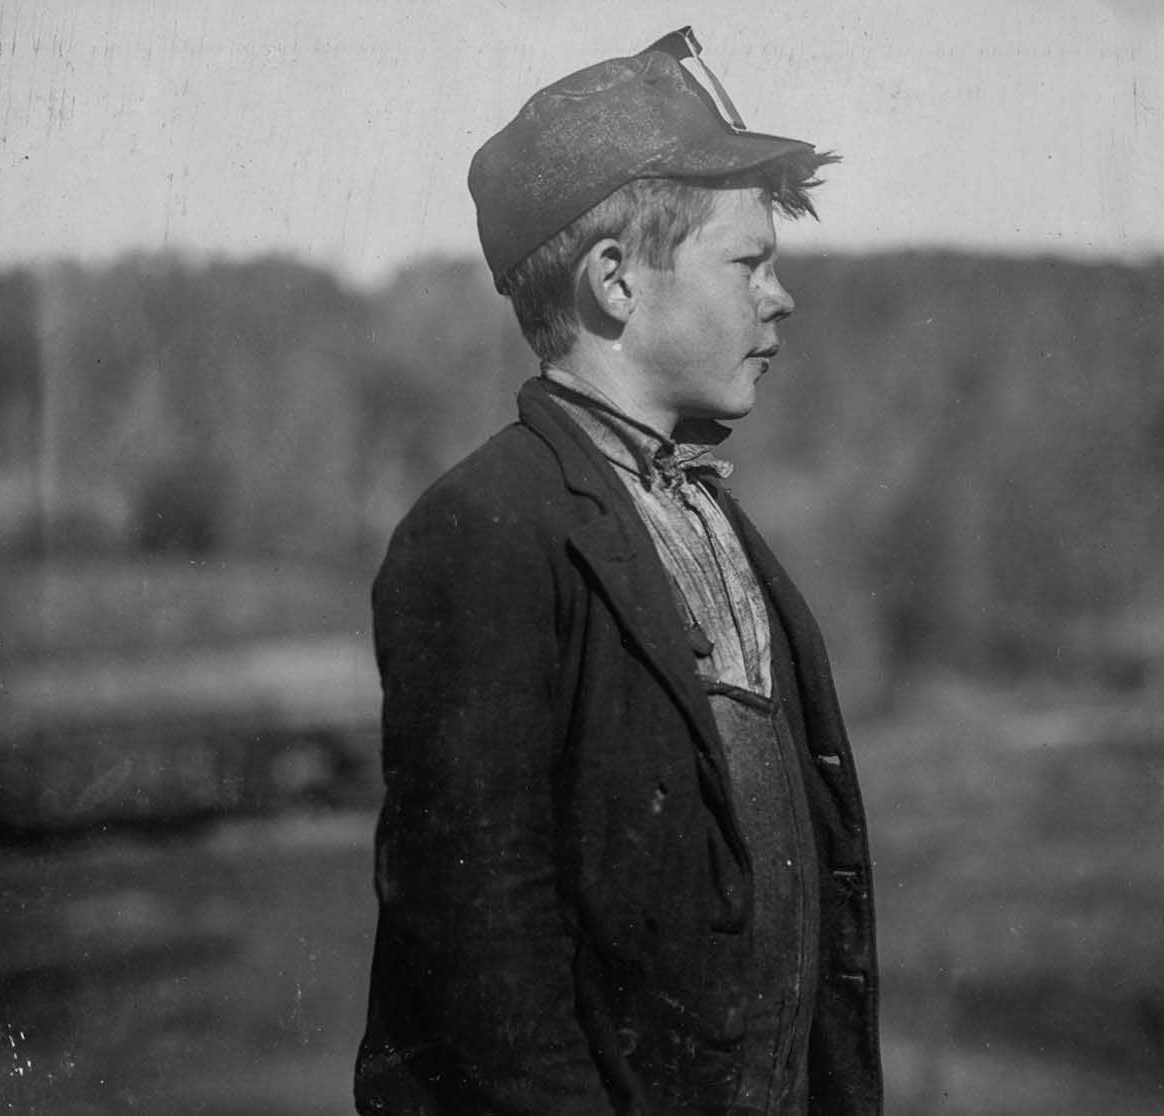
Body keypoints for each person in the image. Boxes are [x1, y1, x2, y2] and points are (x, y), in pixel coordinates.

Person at [355, 28, 882, 1116]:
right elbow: (484, 953)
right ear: (613, 283)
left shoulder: (706, 512)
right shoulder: (486, 531)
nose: (779, 298)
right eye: (748, 262)